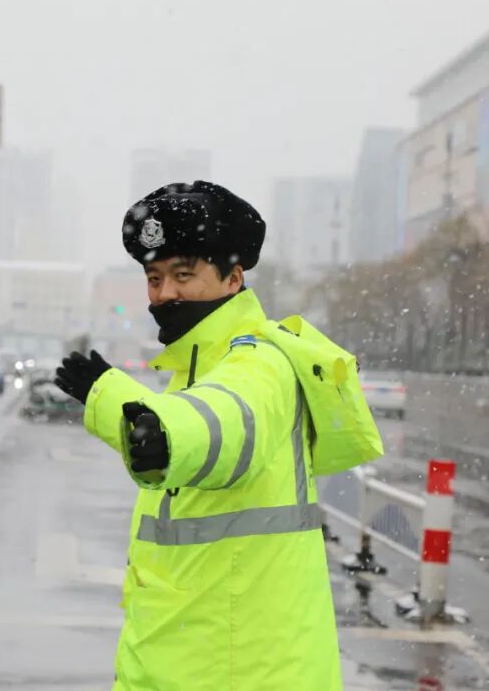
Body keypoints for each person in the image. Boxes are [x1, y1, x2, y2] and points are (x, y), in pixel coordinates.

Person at [57, 181, 374, 690]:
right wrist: (122, 407)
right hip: (184, 662)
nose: (165, 294)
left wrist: (155, 427)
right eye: (155, 277)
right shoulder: (193, 371)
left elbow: (224, 422)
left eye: (184, 274)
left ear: (233, 278)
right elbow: (185, 424)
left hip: (242, 673)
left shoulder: (261, 361)